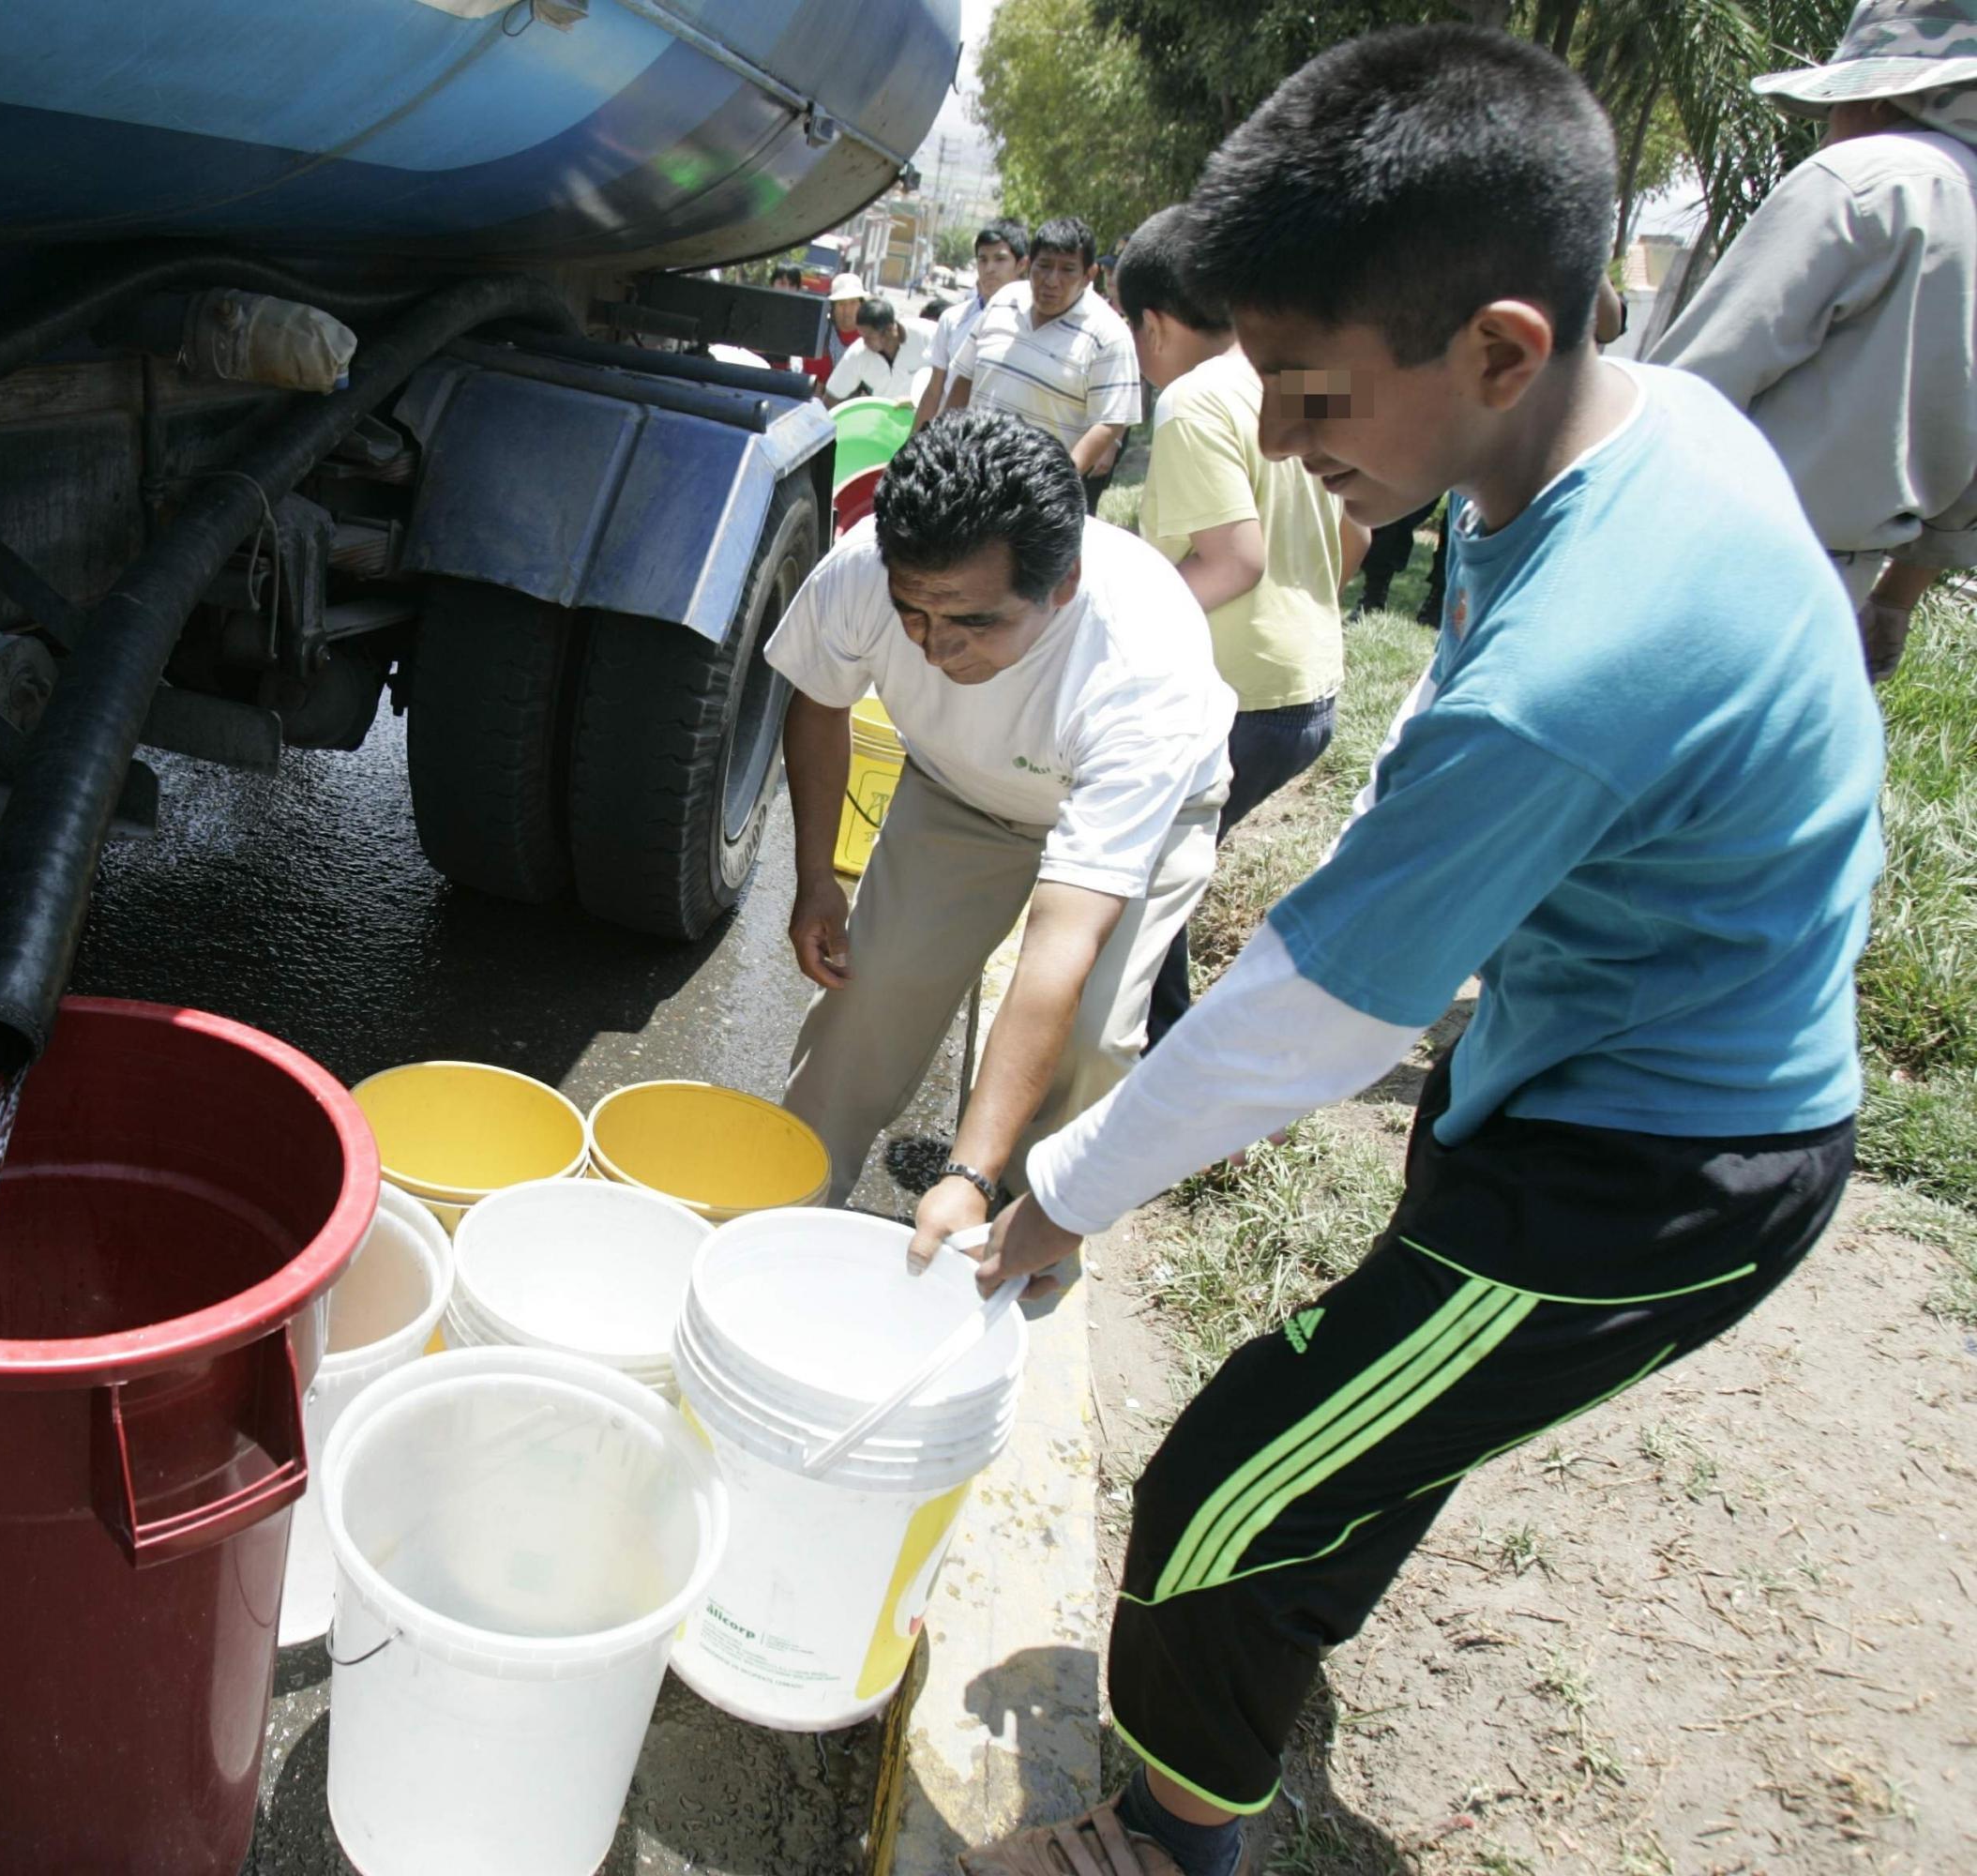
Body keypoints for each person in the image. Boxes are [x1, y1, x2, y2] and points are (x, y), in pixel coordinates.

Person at [947, 28, 1881, 1876]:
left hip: (1652, 1178)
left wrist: (1047, 1202)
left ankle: (1154, 1846)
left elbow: (1296, 1024)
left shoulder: (1585, 657)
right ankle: (1236, 1728)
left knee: (1228, 1481)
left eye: (1308, 396)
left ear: (1501, 347)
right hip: (1570, 1072)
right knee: (1358, 1455)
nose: (1287, 448)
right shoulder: (1622, 430)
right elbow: (1430, 773)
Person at [769, 408, 1232, 1258]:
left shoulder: (1139, 664)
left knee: (1093, 1043)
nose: (938, 648)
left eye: (974, 622)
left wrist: (971, 1173)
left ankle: (1017, 1228)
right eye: (915, 613)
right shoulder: (863, 568)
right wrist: (814, 878)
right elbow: (821, 703)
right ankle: (786, 1214)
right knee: (869, 993)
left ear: (1063, 584)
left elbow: (1060, 943)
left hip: (1142, 821)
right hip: (955, 789)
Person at [1646, 0, 1977, 680]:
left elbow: (1689, 387)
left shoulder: (1865, 182)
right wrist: (1895, 601)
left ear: (1882, 98)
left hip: (1712, 564)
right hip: (1840, 590)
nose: (1827, 132)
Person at [1114, 206, 1368, 1051]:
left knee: (1143, 880)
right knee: (1170, 872)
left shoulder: (1190, 402)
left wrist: (1117, 636)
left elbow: (1232, 561)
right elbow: (1359, 529)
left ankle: (1164, 1072)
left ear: (1152, 323)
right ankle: (1170, 1052)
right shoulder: (1298, 378)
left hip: (1238, 695)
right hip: (1309, 684)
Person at [943, 217, 1144, 513]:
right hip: (970, 480)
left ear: (1090, 274)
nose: (1051, 280)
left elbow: (1110, 420)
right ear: (1029, 265)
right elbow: (964, 380)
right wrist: (944, 447)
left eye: (1067, 270)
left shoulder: (1109, 334)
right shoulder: (1003, 302)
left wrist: (1060, 479)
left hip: (1036, 501)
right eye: (1044, 266)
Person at [914, 220, 1030, 426]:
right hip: (951, 437)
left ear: (1021, 264)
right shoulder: (953, 319)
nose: (989, 268)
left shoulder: (1030, 324)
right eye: (982, 260)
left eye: (1000, 259)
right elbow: (934, 390)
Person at [822, 300, 924, 404]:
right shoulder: (859, 351)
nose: (864, 342)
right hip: (881, 416)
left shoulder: (924, 336)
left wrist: (916, 400)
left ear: (889, 330)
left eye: (869, 337)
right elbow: (832, 395)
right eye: (862, 336)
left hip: (922, 414)